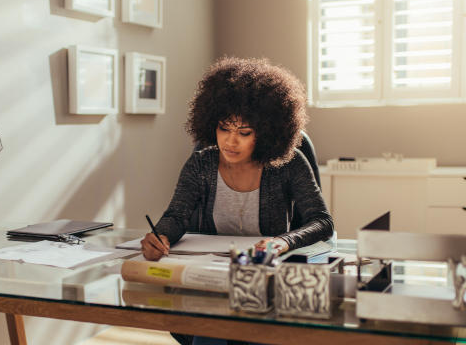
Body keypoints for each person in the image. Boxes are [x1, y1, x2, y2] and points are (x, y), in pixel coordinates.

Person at [140, 56, 334, 263]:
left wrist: (284, 241)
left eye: (244, 133)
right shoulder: (200, 164)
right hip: (210, 269)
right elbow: (176, 217)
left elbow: (322, 222)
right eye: (224, 128)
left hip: (265, 269)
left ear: (266, 133)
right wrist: (159, 236)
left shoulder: (290, 164)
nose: (230, 141)